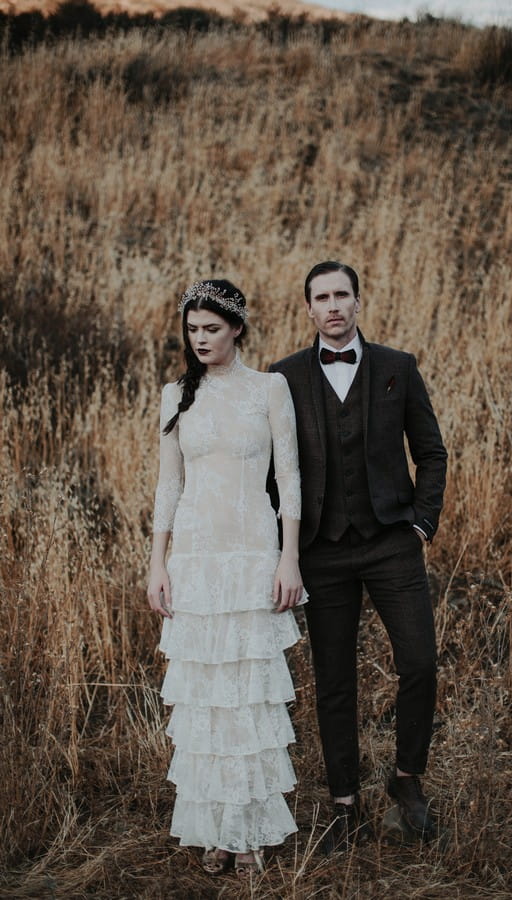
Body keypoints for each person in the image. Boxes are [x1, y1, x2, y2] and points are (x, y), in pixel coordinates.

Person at [270, 261, 447, 853]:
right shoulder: (284, 377)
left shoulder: (399, 368)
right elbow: (273, 472)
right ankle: (345, 803)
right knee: (334, 680)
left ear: (358, 300)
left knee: (420, 661)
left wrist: (421, 521)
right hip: (322, 550)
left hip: (393, 540)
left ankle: (406, 781)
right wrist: (283, 547)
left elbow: (432, 451)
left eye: (342, 294)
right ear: (309, 309)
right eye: (321, 297)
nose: (333, 306)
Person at [147, 279, 304, 877]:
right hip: (194, 560)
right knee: (207, 703)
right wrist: (157, 561)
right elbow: (168, 484)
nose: (201, 340)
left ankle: (250, 834)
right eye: (192, 330)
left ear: (237, 327)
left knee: (248, 699)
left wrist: (289, 558)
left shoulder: (269, 388)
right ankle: (216, 830)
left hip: (252, 557)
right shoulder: (175, 395)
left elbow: (288, 478)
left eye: (212, 329)